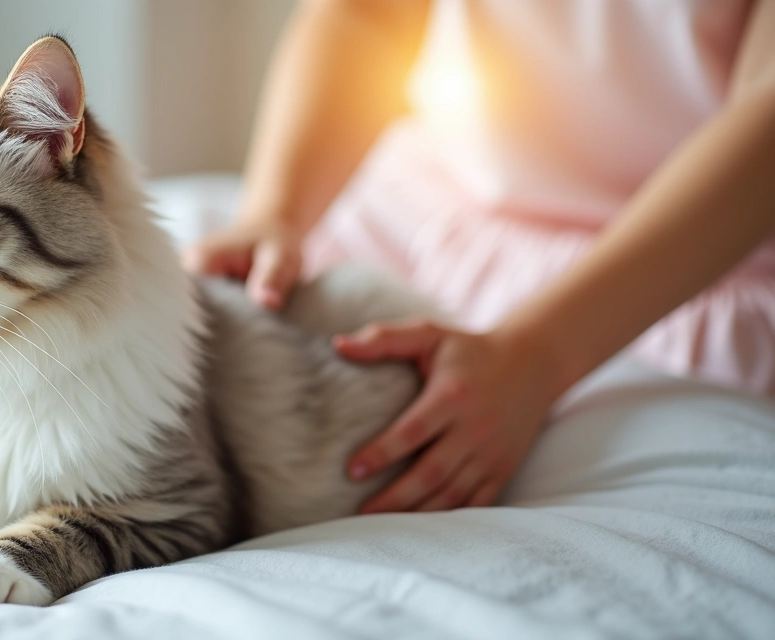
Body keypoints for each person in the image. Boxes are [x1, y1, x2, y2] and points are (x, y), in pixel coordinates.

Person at [184, 0, 775, 514]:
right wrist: (276, 211)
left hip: (659, 289)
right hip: (415, 210)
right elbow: (369, 13)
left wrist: (538, 356)